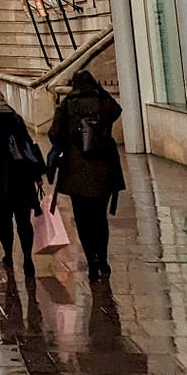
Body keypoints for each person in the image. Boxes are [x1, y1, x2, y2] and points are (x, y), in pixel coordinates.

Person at [49, 69, 125, 282]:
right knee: (100, 218)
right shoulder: (102, 101)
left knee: (82, 219)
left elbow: (55, 134)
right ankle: (103, 259)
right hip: (103, 170)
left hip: (76, 171)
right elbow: (117, 110)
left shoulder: (67, 105)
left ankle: (91, 262)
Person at [0, 88, 44, 277]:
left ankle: (8, 255)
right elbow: (27, 144)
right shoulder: (15, 117)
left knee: (4, 220)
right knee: (23, 220)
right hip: (20, 175)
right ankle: (27, 256)